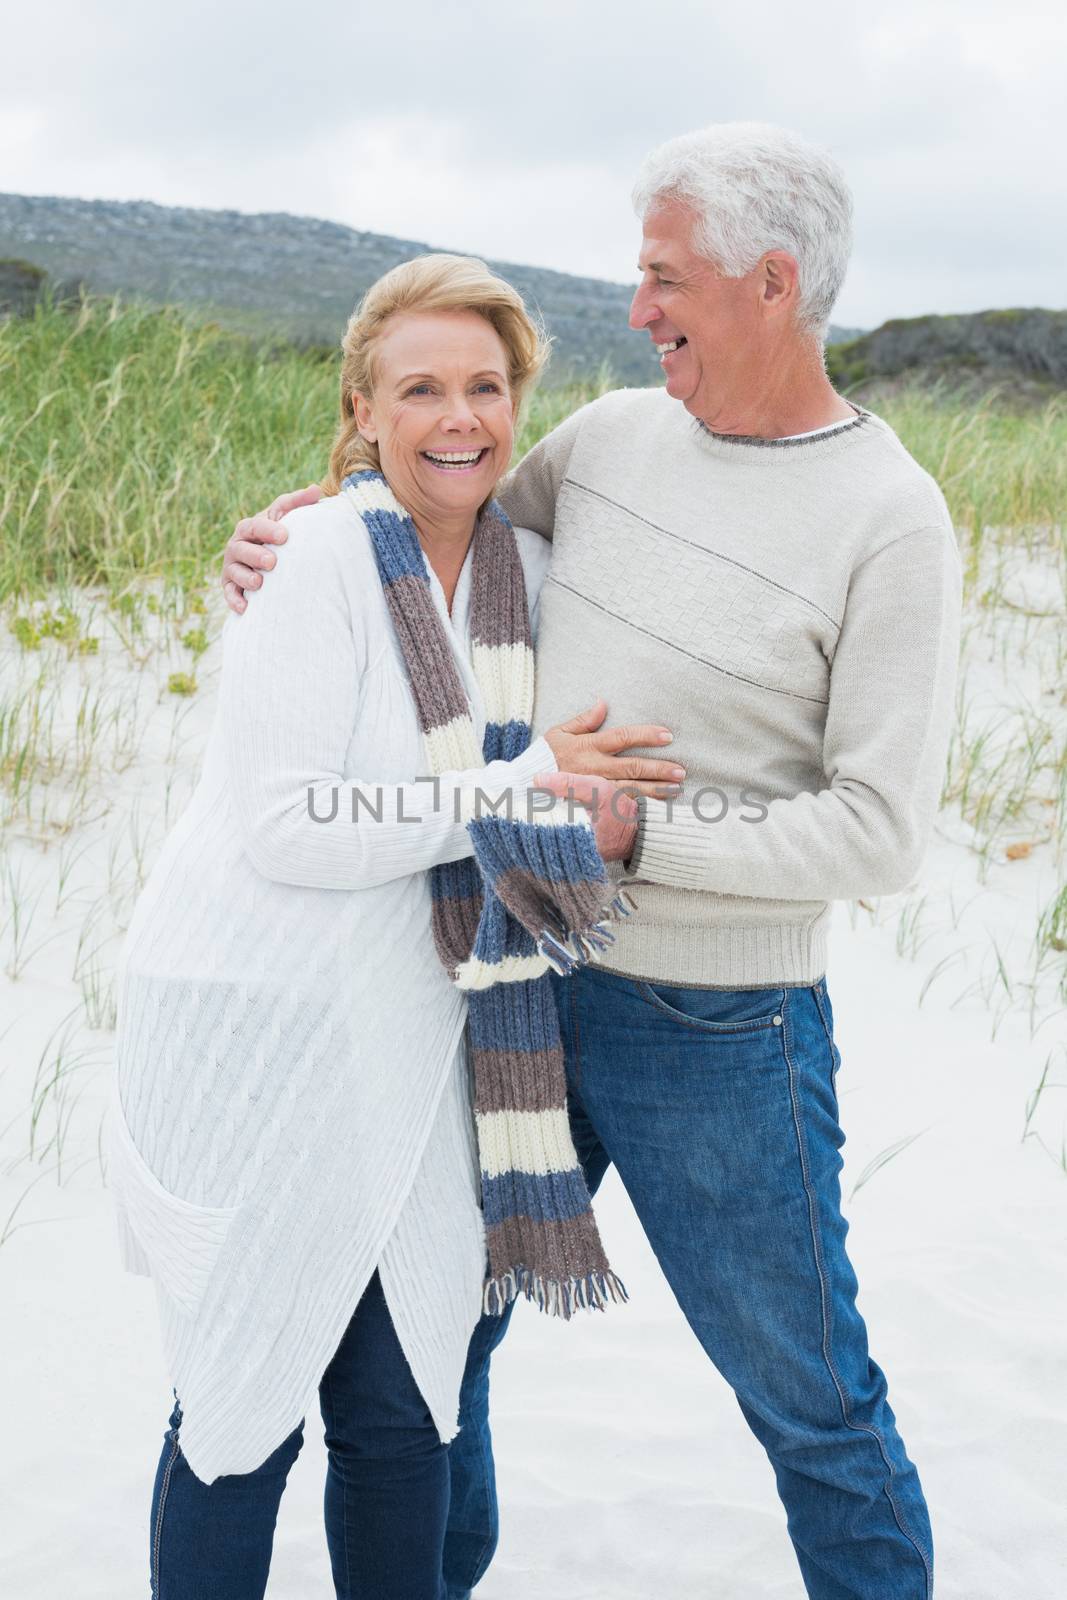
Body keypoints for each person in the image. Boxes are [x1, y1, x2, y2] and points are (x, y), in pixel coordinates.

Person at [222, 122, 962, 1600]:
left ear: (771, 282)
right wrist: (281, 540)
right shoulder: (615, 439)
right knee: (448, 1344)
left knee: (812, 1403)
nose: (638, 313)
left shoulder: (893, 519)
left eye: (663, 279)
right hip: (515, 983)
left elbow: (880, 834)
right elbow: (435, 520)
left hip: (721, 1031)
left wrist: (644, 831)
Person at [107, 252, 684, 1600]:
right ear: (364, 409)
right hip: (259, 1031)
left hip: (430, 1047)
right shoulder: (307, 557)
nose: (458, 417)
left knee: (406, 1410)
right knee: (241, 1412)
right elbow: (292, 825)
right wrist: (520, 778)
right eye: (420, 388)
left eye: (485, 386)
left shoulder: (535, 573)